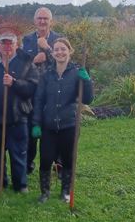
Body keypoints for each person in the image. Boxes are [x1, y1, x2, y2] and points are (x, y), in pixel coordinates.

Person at [31, 38, 93, 203]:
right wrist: (36, 123)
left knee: (68, 159)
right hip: (49, 126)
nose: (59, 52)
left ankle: (65, 191)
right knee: (45, 159)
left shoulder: (77, 72)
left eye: (63, 49)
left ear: (69, 51)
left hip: (69, 125)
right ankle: (45, 193)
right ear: (52, 53)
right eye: (56, 49)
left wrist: (86, 82)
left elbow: (87, 99)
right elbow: (38, 100)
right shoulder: (46, 75)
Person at [0, 32, 38, 193]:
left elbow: (32, 88)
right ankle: (0, 181)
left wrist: (14, 83)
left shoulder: (26, 63)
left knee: (18, 151)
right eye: (3, 43)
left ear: (16, 45)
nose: (7, 47)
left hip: (18, 116)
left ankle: (20, 184)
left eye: (10, 44)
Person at [22, 7, 62, 174]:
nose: (42, 21)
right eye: (40, 18)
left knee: (55, 129)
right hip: (32, 93)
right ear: (35, 20)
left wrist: (47, 49)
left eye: (46, 18)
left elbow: (62, 62)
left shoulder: (58, 39)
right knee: (32, 129)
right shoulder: (27, 39)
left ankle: (58, 164)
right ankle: (28, 163)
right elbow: (22, 65)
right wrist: (34, 60)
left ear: (50, 21)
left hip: (53, 94)